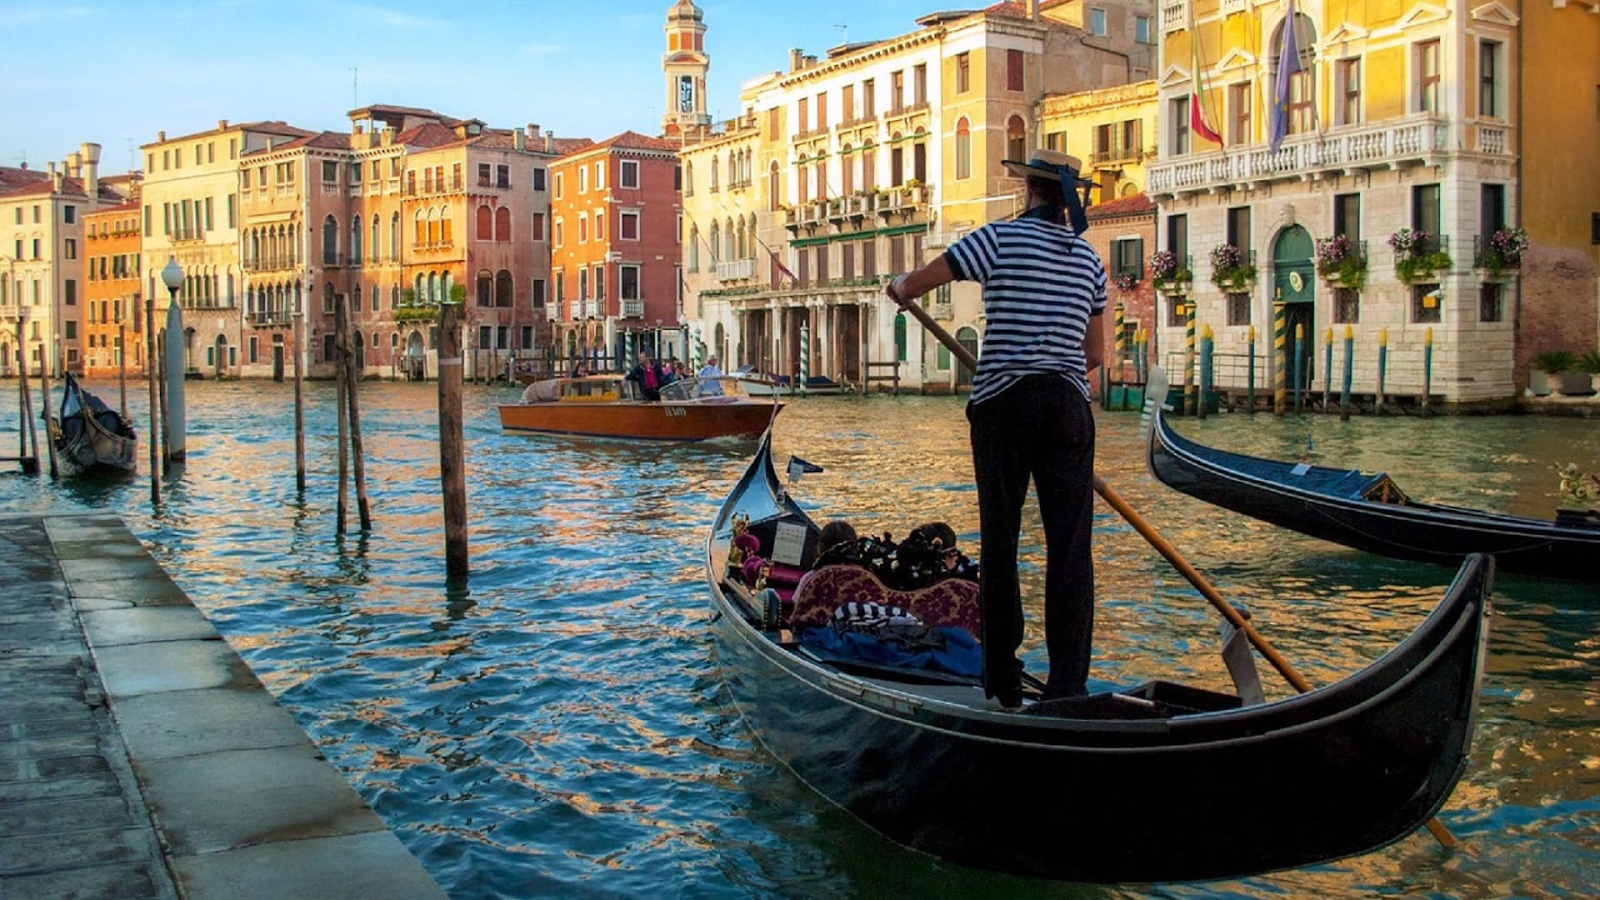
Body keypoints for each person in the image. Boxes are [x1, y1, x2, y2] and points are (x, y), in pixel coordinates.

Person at [884, 148, 1106, 708]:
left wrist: (901, 287)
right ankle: (1068, 688)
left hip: (1005, 403)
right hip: (1068, 408)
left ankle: (1003, 680)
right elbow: (1096, 355)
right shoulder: (1089, 259)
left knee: (1002, 541)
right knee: (1071, 550)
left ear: (1029, 191)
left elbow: (925, 279)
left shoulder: (999, 239)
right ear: (1068, 198)